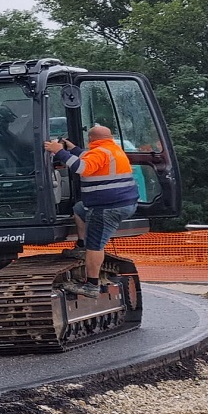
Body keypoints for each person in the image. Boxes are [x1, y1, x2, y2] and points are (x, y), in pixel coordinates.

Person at [43, 125, 139, 298]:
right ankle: (81, 245)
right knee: (79, 209)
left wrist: (59, 151)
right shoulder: (113, 150)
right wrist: (74, 150)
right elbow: (91, 160)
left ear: (91, 140)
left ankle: (91, 285)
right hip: (123, 203)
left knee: (95, 245)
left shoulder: (100, 152)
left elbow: (83, 168)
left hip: (107, 207)